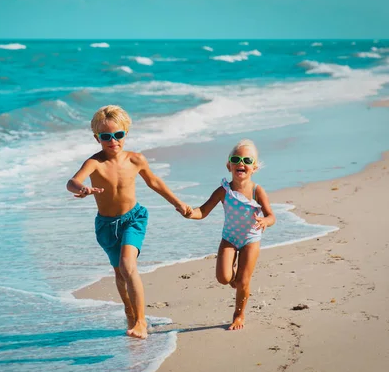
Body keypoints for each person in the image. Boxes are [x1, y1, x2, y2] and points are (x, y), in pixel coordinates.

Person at [67, 105, 191, 339]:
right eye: (106, 137)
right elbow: (72, 182)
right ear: (97, 138)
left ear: (125, 133)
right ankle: (130, 311)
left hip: (134, 219)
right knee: (119, 272)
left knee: (127, 265)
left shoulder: (136, 159)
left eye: (118, 135)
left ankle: (142, 322)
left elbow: (154, 182)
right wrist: (82, 189)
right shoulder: (95, 162)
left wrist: (178, 203)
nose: (113, 141)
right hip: (106, 226)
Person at [185, 139, 275, 330]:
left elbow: (271, 215)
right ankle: (234, 273)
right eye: (236, 159)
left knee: (243, 281)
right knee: (224, 278)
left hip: (251, 238)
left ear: (255, 167)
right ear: (229, 165)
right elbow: (203, 211)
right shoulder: (223, 191)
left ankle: (239, 315)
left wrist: (265, 221)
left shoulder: (257, 191)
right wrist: (190, 213)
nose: (241, 163)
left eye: (247, 161)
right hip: (229, 238)